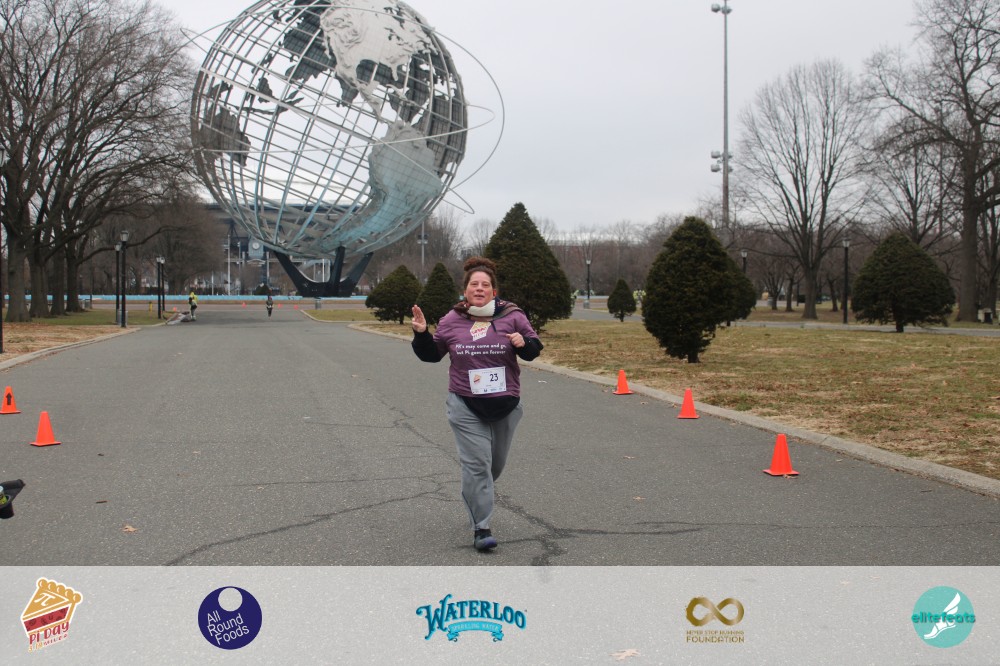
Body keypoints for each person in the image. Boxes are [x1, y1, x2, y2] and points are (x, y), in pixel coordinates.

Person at [410, 256, 543, 551]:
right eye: (474, 284)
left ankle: (476, 491)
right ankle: (482, 528)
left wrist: (523, 344)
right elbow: (431, 355)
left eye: (485, 285)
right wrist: (421, 334)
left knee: (493, 466)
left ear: (494, 291)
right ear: (466, 291)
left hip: (505, 403)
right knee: (478, 466)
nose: (479, 288)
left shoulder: (513, 315)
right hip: (464, 403)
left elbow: (534, 350)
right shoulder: (452, 320)